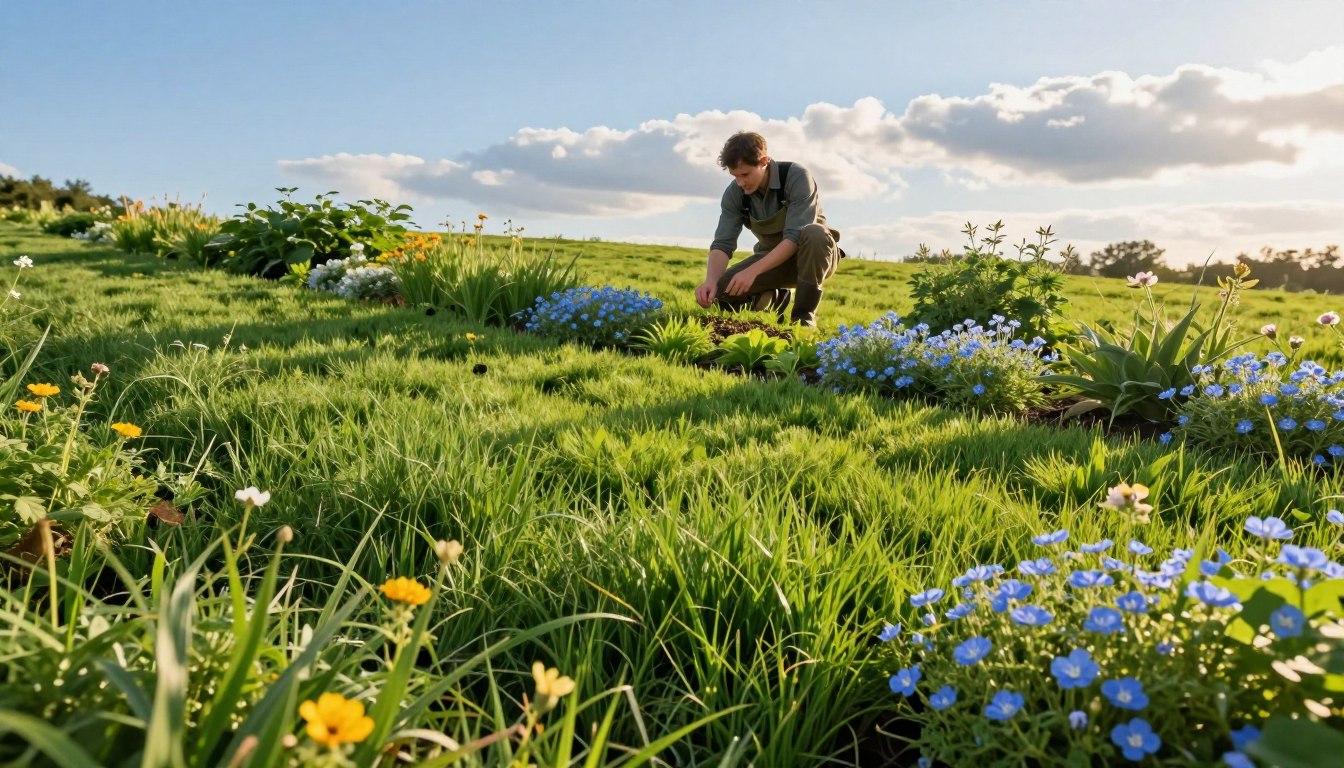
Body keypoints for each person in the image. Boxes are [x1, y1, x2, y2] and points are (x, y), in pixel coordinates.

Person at [694, 131, 842, 327]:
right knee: (722, 292)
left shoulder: (796, 177)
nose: (741, 182)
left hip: (814, 258)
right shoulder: (735, 193)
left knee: (814, 232)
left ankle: (804, 318)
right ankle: (774, 298)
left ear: (764, 161)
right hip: (771, 261)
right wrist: (711, 281)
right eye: (735, 176)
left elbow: (794, 237)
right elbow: (723, 243)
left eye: (745, 174)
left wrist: (752, 272)